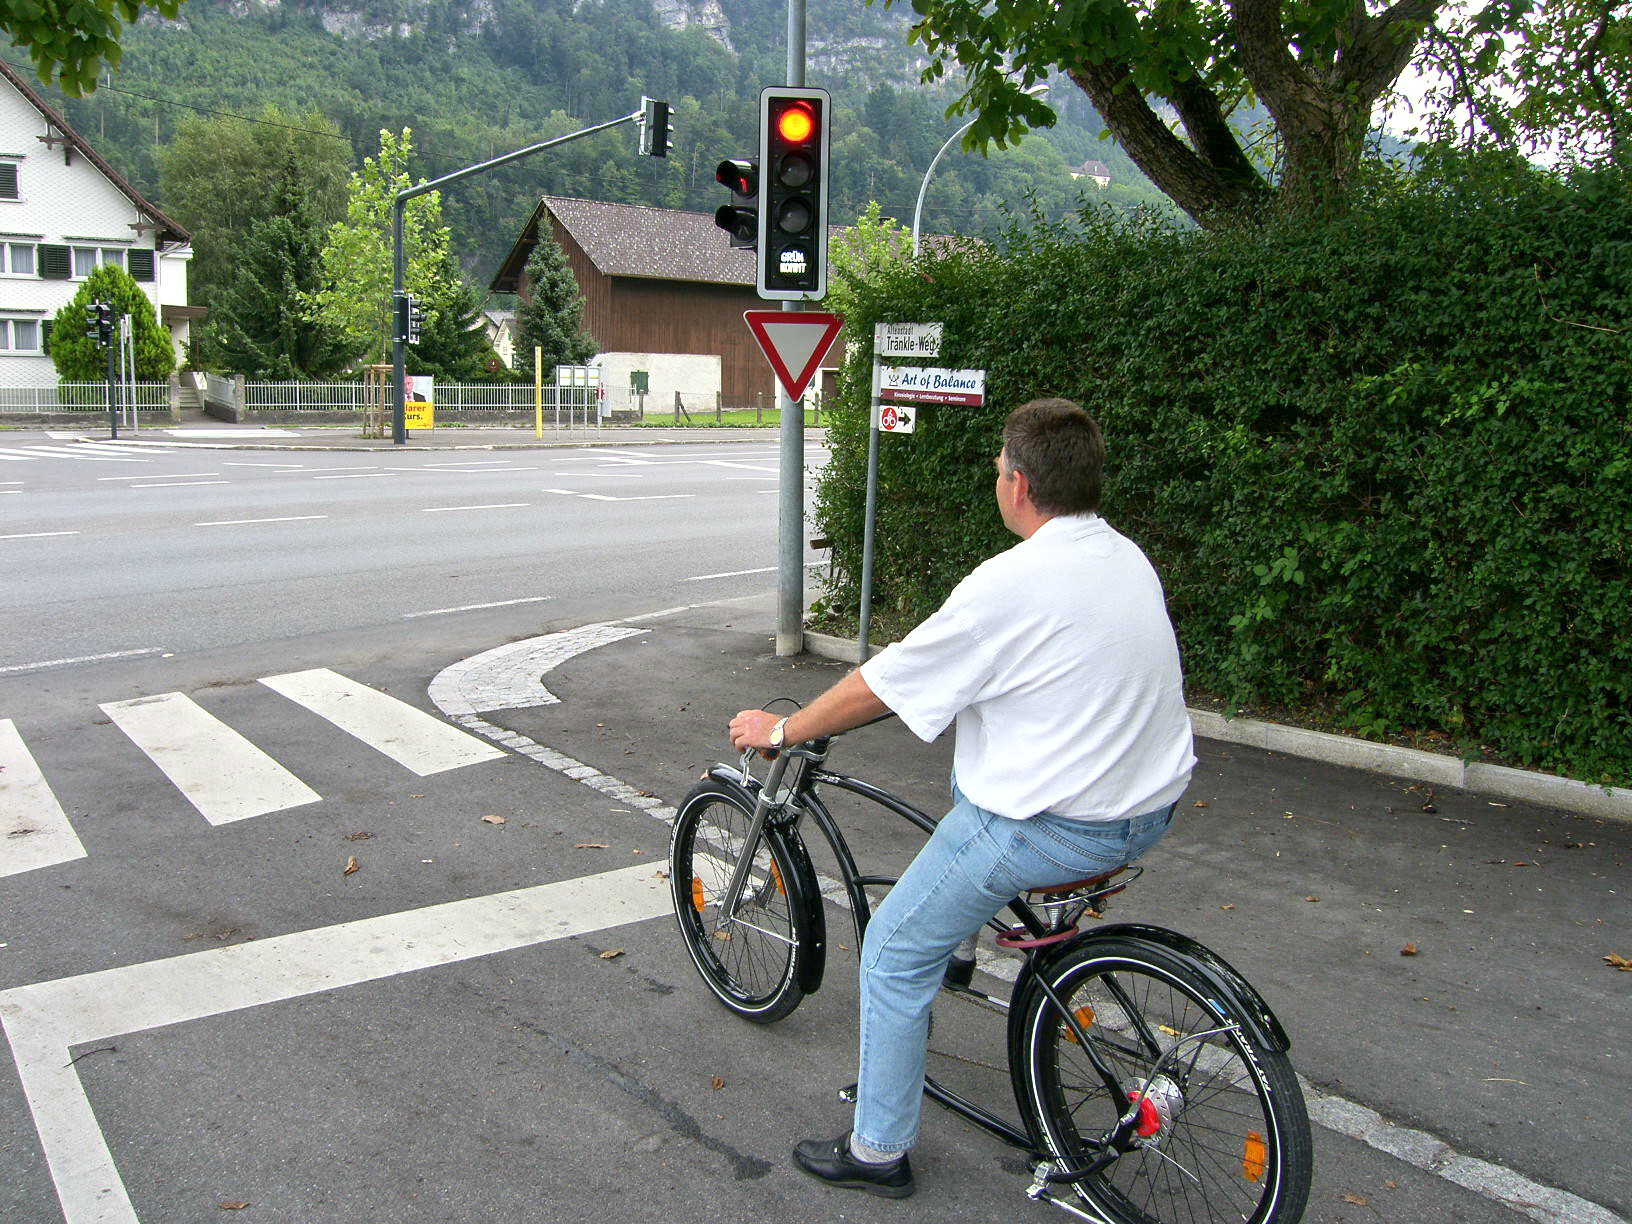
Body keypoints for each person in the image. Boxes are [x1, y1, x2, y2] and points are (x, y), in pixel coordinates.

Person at [729, 397, 1197, 1199]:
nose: (997, 480)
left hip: (1052, 829)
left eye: (998, 470)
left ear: (1020, 485)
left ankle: (877, 1151)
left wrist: (783, 729)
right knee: (971, 772)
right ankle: (963, 943)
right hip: (1145, 810)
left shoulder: (1010, 582)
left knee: (890, 951)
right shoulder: (1125, 557)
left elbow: (883, 683)